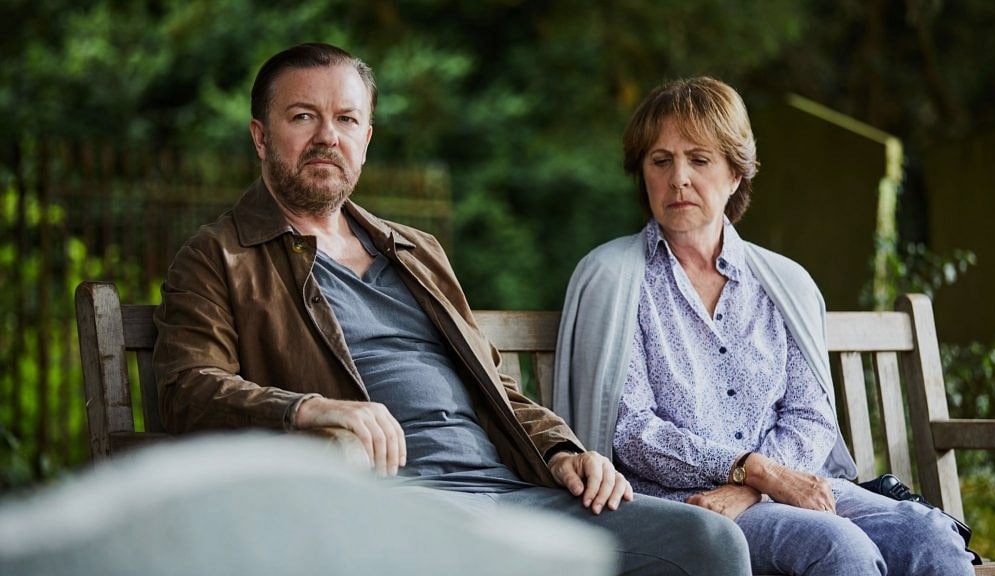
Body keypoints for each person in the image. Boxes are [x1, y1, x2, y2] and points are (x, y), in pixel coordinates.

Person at [152, 43, 752, 575]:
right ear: (261, 136)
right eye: (303, 116)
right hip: (388, 504)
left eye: (346, 119)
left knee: (707, 540)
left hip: (511, 492)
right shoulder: (220, 256)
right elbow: (186, 388)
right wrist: (311, 410)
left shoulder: (415, 251)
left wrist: (562, 452)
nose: (327, 136)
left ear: (366, 138)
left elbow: (496, 385)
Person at [552, 76, 976, 575]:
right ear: (642, 173)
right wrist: (753, 472)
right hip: (680, 505)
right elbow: (633, 432)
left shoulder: (783, 283)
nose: (679, 178)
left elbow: (810, 418)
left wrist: (753, 486)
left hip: (785, 489)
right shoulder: (614, 278)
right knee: (838, 547)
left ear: (735, 174)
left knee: (932, 539)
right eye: (660, 161)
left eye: (699, 159)